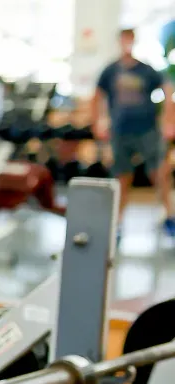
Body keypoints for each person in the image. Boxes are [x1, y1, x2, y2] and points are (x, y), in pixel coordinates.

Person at [93, 28, 175, 234]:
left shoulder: (146, 70)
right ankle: (118, 222)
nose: (127, 43)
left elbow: (168, 89)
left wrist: (168, 119)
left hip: (147, 130)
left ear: (134, 41)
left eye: (130, 40)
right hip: (120, 131)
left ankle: (170, 215)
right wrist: (98, 122)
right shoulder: (110, 71)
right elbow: (96, 96)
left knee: (158, 173)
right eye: (124, 40)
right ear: (119, 42)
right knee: (122, 176)